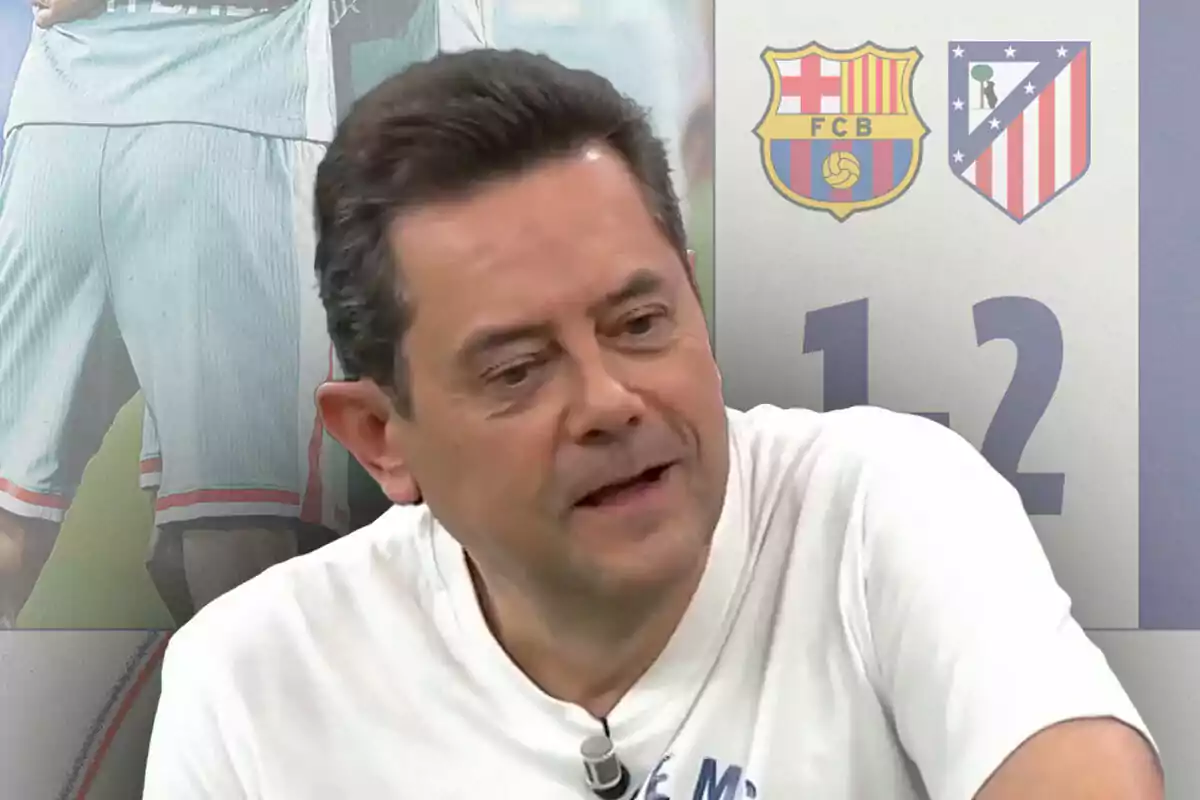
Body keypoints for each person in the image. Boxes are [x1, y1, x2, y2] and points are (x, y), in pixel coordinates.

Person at [143, 49, 1164, 798]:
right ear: (380, 435)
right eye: (517, 368)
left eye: (640, 323)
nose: (610, 400)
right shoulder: (251, 681)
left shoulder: (881, 502)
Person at [0, 0, 349, 627]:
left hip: (56, 129)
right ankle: (248, 722)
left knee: (11, 514)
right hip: (233, 123)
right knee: (233, 521)